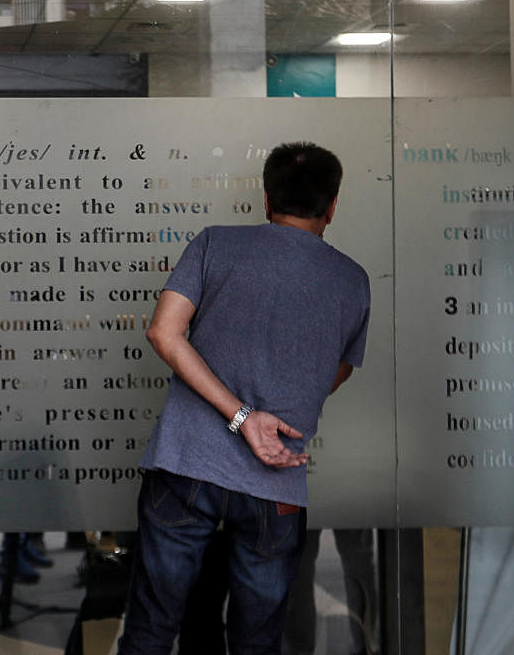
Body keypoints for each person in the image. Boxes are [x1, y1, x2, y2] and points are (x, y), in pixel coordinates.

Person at [116, 142, 370, 655]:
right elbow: (335, 373)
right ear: (333, 205)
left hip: (185, 466)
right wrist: (274, 399)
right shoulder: (353, 280)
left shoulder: (214, 244)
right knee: (256, 642)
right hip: (276, 484)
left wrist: (239, 415)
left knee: (151, 630)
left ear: (265, 197)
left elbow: (164, 333)